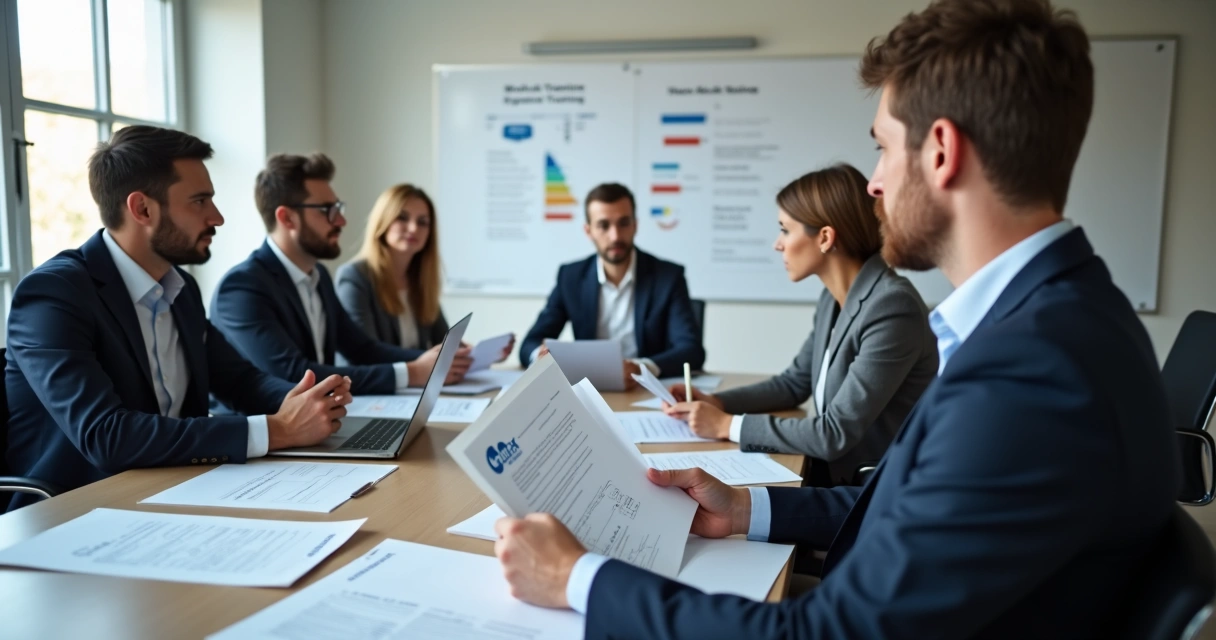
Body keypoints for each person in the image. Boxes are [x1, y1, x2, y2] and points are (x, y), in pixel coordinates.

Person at [490, 1, 1180, 636]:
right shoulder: (1054, 320)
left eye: (882, 146)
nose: (873, 184)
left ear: (941, 152)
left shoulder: (1032, 373)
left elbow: (825, 634)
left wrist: (577, 576)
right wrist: (746, 510)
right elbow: (914, 507)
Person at [4, 126, 352, 512]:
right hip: (74, 512)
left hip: (177, 492)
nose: (217, 217)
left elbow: (238, 379)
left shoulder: (180, 287)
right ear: (143, 209)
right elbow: (106, 436)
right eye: (200, 201)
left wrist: (304, 400)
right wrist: (278, 429)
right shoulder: (54, 295)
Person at [664, 164, 937, 485]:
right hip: (829, 473)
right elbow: (794, 383)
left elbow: (834, 433)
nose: (777, 244)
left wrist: (726, 425)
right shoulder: (833, 298)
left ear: (824, 238)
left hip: (868, 490)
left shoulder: (892, 307)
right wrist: (719, 403)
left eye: (785, 229)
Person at [210, 154, 471, 401]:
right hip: (264, 440)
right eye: (327, 210)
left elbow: (362, 349)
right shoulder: (242, 288)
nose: (341, 221)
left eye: (338, 208)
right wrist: (412, 372)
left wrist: (433, 359)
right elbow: (293, 373)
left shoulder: (318, 276)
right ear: (287, 218)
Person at [519, 183, 705, 387]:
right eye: (604, 225)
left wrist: (642, 368)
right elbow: (529, 344)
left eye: (623, 223)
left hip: (646, 392)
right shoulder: (571, 277)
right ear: (588, 230)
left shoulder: (668, 277)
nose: (615, 236)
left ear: (635, 225)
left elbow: (691, 350)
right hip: (589, 391)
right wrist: (540, 356)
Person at [335, 183, 513, 360]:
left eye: (422, 222)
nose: (413, 228)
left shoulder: (420, 280)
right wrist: (428, 360)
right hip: (371, 387)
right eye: (402, 217)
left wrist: (480, 355)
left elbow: (444, 342)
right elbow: (365, 353)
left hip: (415, 387)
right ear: (382, 221)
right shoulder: (354, 277)